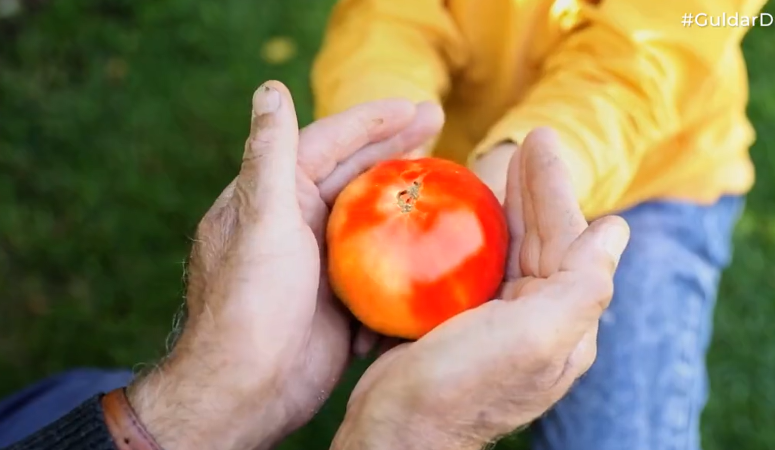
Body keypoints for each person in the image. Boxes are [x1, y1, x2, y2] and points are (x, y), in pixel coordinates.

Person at [0, 82, 628, 450]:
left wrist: (194, 408)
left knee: (78, 394)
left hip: (658, 171)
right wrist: (404, 436)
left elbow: (645, 68)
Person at [311, 1, 764, 449]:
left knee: (615, 434)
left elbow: (650, 55)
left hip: (654, 179)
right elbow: (386, 17)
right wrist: (389, 129)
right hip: (452, 173)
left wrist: (521, 170)